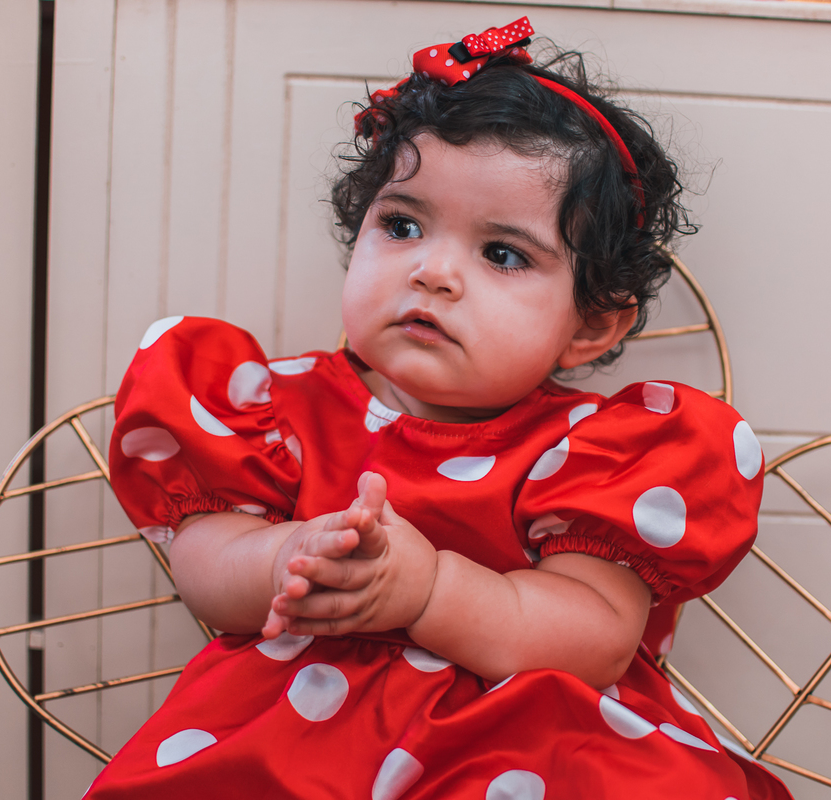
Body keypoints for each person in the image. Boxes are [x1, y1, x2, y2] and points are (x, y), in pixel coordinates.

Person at [89, 17, 791, 800]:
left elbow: (594, 638)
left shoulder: (599, 451)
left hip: (529, 746)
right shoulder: (274, 407)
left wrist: (427, 593)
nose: (433, 272)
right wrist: (285, 555)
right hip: (291, 740)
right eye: (401, 224)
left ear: (590, 325)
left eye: (502, 253)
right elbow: (202, 565)